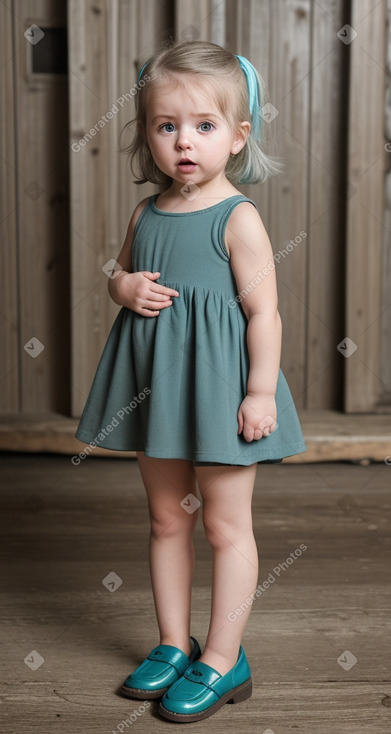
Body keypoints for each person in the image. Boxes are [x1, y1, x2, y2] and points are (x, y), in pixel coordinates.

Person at [75, 40, 306, 723]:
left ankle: (224, 657)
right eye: (166, 125)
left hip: (219, 392)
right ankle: (176, 643)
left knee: (225, 527)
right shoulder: (145, 214)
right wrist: (122, 287)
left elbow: (263, 311)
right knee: (164, 519)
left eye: (203, 127)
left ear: (236, 138)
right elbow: (117, 271)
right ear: (146, 133)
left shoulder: (238, 219)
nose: (183, 143)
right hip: (156, 389)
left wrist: (260, 390)